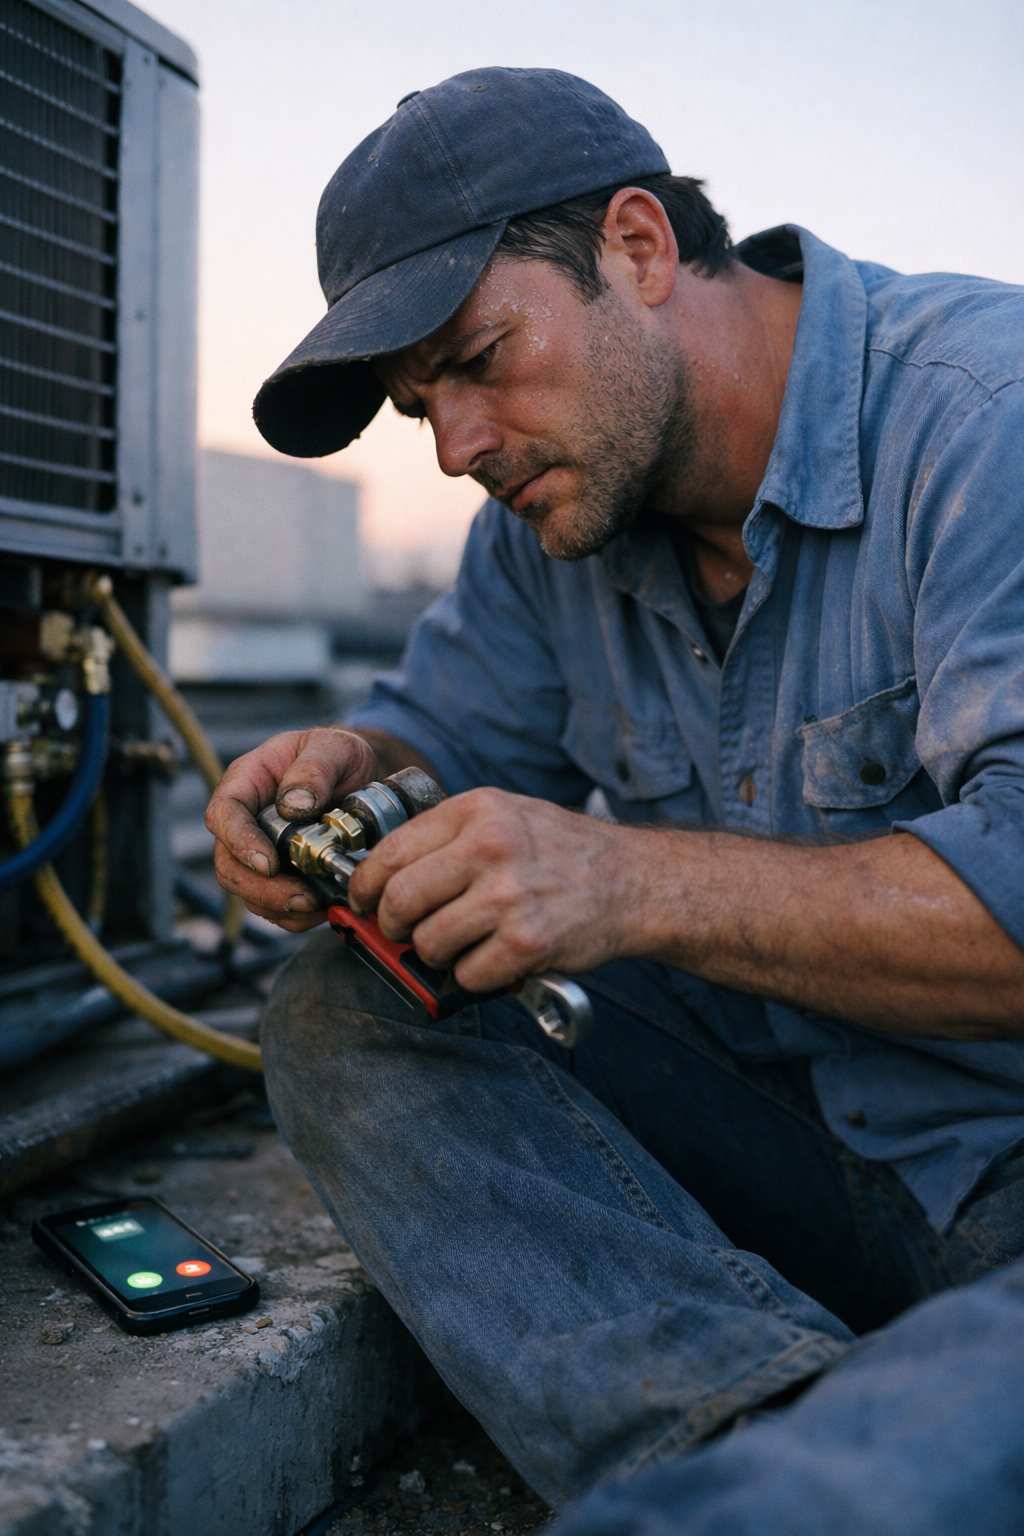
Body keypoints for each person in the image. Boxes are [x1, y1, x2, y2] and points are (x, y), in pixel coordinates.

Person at [207, 68, 1024, 1516]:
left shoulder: (982, 418)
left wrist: (626, 878)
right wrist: (345, 775)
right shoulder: (552, 529)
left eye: (478, 357)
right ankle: (747, 1425)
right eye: (417, 410)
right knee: (355, 998)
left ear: (640, 248)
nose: (458, 447)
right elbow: (434, 736)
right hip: (805, 1143)